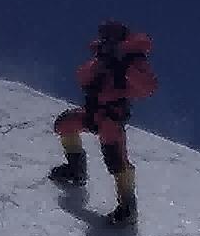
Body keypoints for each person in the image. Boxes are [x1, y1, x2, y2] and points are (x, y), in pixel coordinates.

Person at [50, 18, 158, 224]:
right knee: (64, 124)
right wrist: (101, 63)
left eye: (111, 35)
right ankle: (75, 169)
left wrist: (125, 67)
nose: (107, 39)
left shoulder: (133, 60)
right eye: (105, 36)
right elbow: (82, 77)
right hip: (92, 113)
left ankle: (127, 206)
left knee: (115, 156)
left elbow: (148, 87)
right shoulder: (101, 58)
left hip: (111, 117)